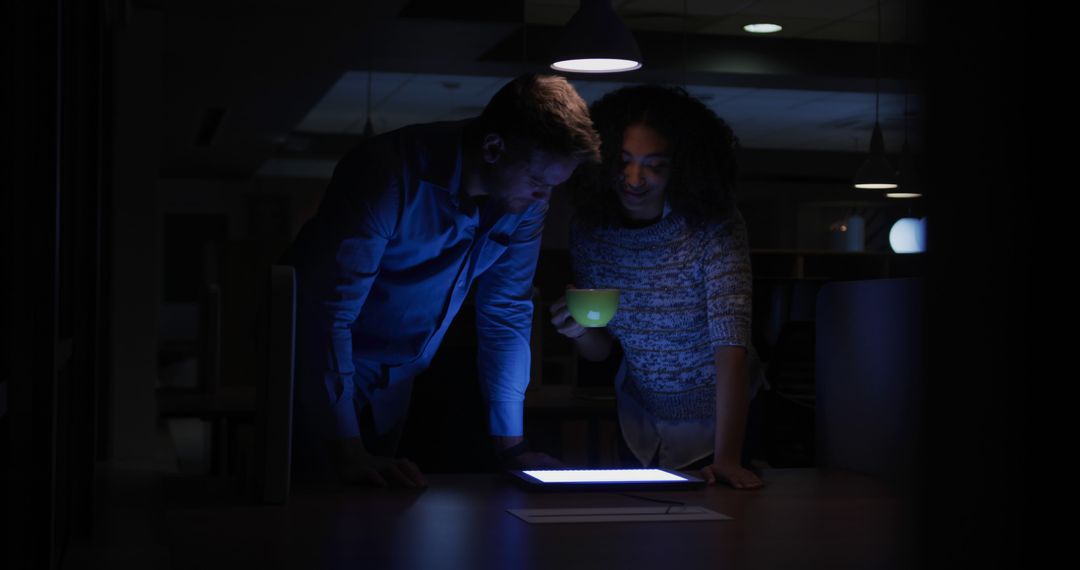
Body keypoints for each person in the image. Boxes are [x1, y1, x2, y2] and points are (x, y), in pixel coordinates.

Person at [291, 74, 600, 487]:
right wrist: (346, 451)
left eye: (554, 187)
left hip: (399, 380)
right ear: (493, 148)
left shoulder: (524, 202)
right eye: (539, 182)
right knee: (307, 503)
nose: (545, 200)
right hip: (313, 368)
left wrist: (511, 449)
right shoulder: (386, 172)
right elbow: (328, 317)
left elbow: (506, 311)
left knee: (371, 508)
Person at [549, 84, 765, 489]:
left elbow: (731, 345)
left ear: (682, 169)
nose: (633, 178)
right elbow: (601, 351)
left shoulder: (714, 225)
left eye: (655, 165)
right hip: (640, 419)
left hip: (725, 422)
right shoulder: (591, 230)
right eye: (623, 160)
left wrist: (729, 459)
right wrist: (577, 330)